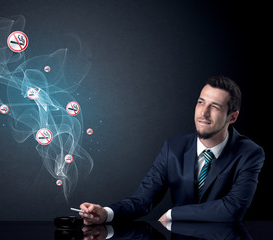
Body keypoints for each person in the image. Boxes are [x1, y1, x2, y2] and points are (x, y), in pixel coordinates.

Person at [79, 76, 265, 225]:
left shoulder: (250, 153)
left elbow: (232, 209)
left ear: (232, 117)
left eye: (214, 107)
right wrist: (105, 213)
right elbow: (143, 200)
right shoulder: (173, 148)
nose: (203, 113)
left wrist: (173, 214)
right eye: (201, 102)